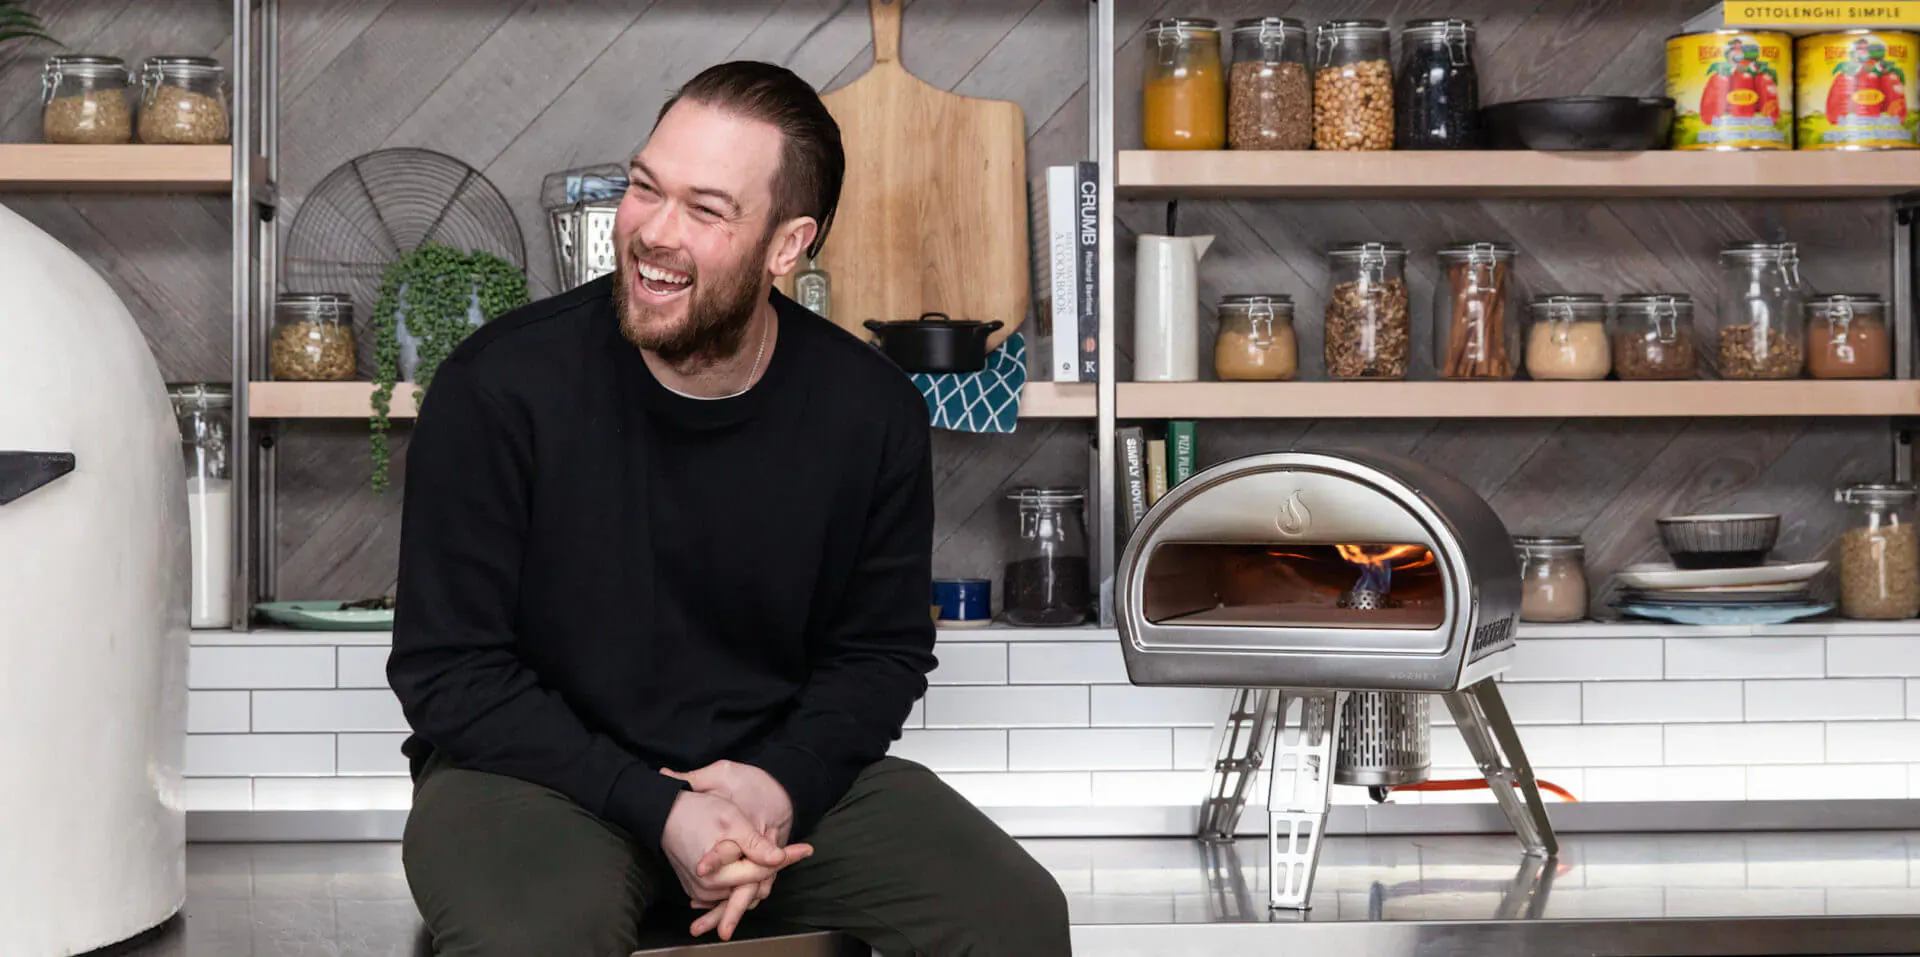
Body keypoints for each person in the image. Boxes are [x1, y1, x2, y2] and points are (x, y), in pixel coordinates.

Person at [388, 60, 1072, 957]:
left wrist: (775, 786)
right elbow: (451, 673)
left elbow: (880, 653)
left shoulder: (869, 412)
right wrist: (663, 808)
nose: (653, 233)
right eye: (645, 188)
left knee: (1013, 915)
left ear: (788, 247)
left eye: (706, 211)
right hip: (533, 779)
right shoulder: (498, 388)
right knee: (538, 939)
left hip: (774, 779)